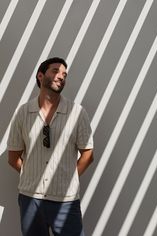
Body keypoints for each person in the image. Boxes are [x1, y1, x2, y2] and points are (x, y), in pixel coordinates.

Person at [7, 57, 94, 236]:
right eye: (55, 71)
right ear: (40, 76)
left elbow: (88, 155)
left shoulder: (77, 113)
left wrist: (66, 178)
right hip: (30, 199)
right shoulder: (23, 113)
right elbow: (13, 157)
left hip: (66, 201)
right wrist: (32, 174)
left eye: (64, 74)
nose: (61, 76)